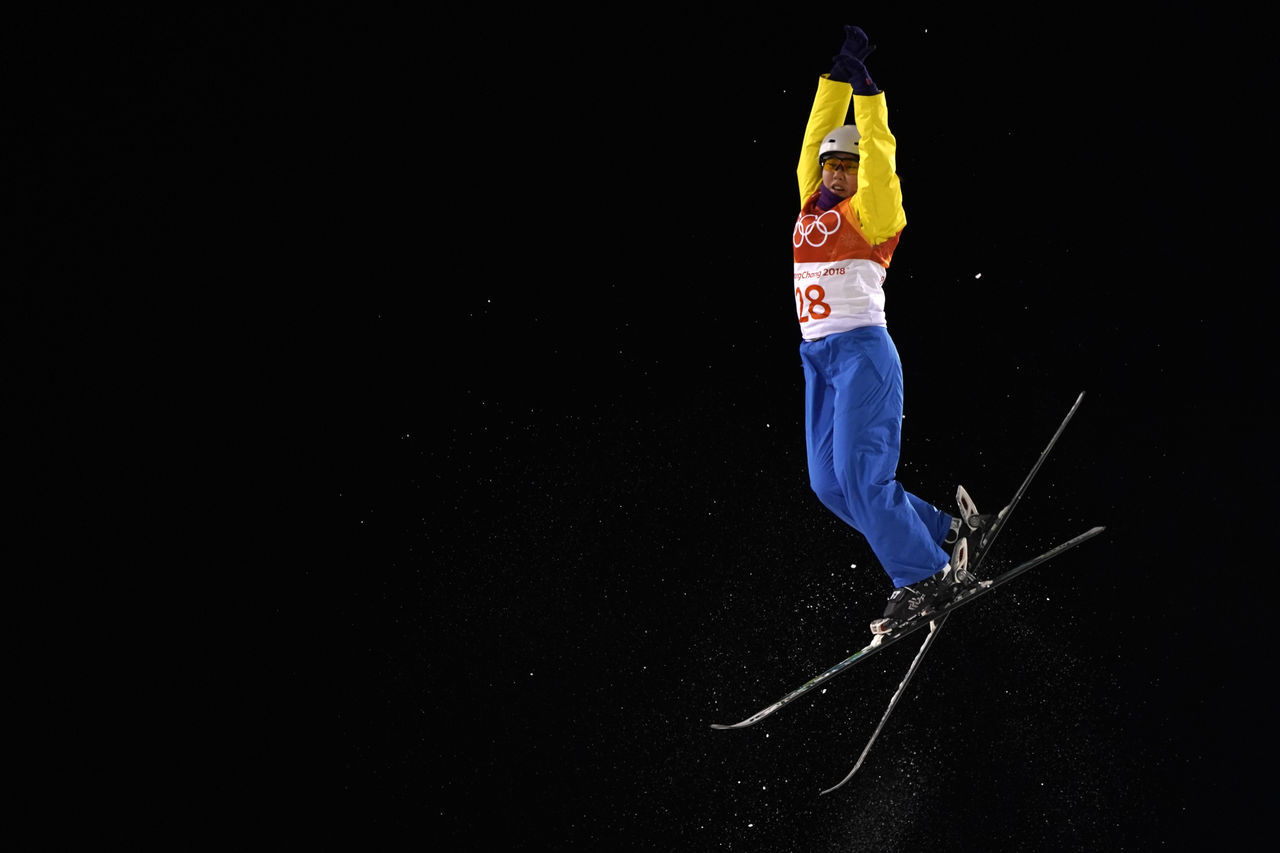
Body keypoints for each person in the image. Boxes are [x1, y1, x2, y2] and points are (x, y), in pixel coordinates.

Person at [792, 26, 992, 635]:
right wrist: (832, 83)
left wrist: (869, 99)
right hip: (819, 360)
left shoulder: (874, 213)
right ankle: (946, 534)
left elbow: (880, 159)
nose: (837, 174)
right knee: (830, 485)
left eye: (847, 167)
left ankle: (926, 575)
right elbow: (810, 144)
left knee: (861, 476)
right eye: (832, 165)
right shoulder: (810, 206)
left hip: (863, 356)